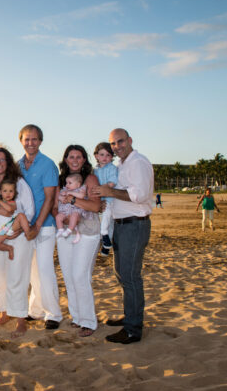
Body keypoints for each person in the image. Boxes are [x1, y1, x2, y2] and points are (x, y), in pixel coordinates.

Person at [92, 128, 153, 344]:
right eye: (113, 144)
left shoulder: (138, 162)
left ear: (130, 140)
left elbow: (140, 195)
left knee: (131, 276)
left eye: (120, 142)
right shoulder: (121, 165)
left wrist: (110, 192)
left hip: (134, 226)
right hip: (121, 225)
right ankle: (130, 316)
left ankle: (133, 329)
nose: (117, 147)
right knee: (122, 274)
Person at [0, 146, 35, 337]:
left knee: (17, 277)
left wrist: (19, 228)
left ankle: (21, 318)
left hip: (17, 236)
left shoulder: (19, 183)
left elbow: (28, 210)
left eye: (2, 160)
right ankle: (4, 311)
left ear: (8, 162)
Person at [55, 145, 102, 338]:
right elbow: (55, 204)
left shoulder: (90, 179)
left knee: (80, 276)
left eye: (79, 157)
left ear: (84, 160)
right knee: (68, 275)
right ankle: (76, 317)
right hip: (66, 230)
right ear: (65, 159)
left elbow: (96, 205)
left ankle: (89, 321)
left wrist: (73, 201)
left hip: (88, 231)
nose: (74, 160)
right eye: (71, 156)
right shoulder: (60, 180)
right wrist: (62, 217)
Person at [18, 124, 61, 330]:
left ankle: (54, 314)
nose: (30, 143)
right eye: (27, 139)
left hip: (45, 226)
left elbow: (50, 198)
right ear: (21, 141)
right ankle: (35, 311)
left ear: (40, 141)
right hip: (26, 228)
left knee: (45, 270)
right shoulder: (17, 166)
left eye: (34, 139)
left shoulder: (48, 164)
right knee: (32, 272)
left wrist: (37, 224)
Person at [0, 179, 31, 259]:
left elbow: (9, 209)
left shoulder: (12, 203)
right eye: (5, 191)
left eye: (11, 191)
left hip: (11, 226)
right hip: (1, 230)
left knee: (21, 216)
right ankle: (9, 248)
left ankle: (28, 233)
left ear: (14, 193)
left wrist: (0, 202)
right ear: (0, 192)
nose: (8, 194)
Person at [93, 142, 118, 256]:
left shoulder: (112, 168)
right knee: (106, 222)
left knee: (108, 219)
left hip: (110, 198)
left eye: (108, 155)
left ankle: (105, 237)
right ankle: (106, 244)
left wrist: (100, 189)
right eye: (102, 154)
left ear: (112, 157)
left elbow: (112, 183)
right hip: (99, 199)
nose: (105, 158)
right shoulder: (95, 170)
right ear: (96, 156)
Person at [55, 173, 88, 243]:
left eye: (70, 183)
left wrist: (70, 193)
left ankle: (69, 230)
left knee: (74, 215)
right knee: (58, 217)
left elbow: (81, 196)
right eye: (66, 183)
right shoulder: (65, 190)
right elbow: (58, 196)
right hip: (65, 210)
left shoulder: (81, 189)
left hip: (76, 209)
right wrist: (61, 198)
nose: (67, 185)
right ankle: (60, 229)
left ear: (78, 184)